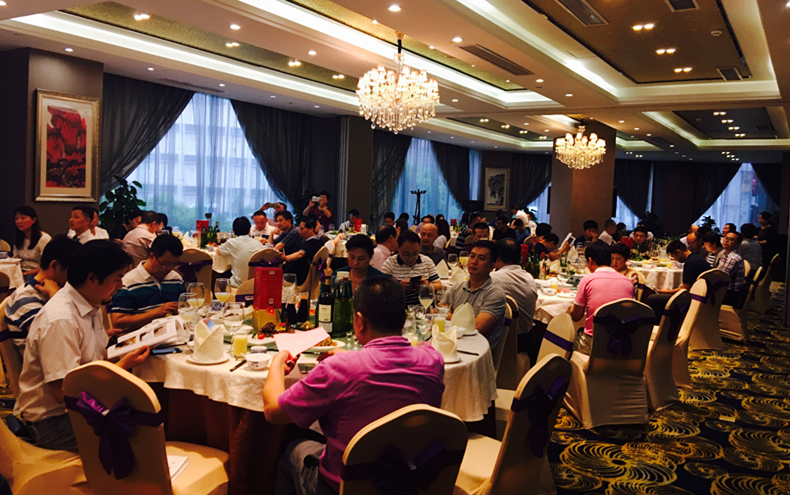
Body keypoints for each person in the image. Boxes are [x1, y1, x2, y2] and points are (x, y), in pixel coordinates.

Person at [266, 276, 444, 495]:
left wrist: (277, 364)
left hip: (343, 485)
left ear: (359, 321)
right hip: (409, 482)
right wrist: (349, 356)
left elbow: (273, 412)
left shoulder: (338, 368)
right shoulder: (433, 360)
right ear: (404, 320)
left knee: (293, 450)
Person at [15, 240, 150, 452]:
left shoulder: (89, 304)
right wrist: (122, 366)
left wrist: (125, 352)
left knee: (146, 416)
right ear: (92, 279)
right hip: (52, 422)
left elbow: (91, 360)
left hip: (77, 409)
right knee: (140, 435)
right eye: (117, 279)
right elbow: (64, 392)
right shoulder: (61, 319)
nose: (121, 286)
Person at [2, 235, 80, 355]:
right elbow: (56, 337)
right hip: (47, 363)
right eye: (72, 271)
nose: (75, 277)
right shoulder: (25, 299)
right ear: (54, 266)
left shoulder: (60, 291)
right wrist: (55, 296)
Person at [109, 234, 186, 331]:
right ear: (151, 256)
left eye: (174, 264)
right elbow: (118, 322)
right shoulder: (128, 282)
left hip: (174, 332)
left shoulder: (176, 278)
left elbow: (185, 308)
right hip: (141, 335)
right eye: (165, 264)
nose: (169, 269)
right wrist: (157, 312)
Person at [570, 241, 635, 355]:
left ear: (590, 261)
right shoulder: (628, 282)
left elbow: (576, 316)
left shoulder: (587, 280)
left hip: (594, 343)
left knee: (569, 338)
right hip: (623, 344)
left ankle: (573, 365)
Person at [441, 240, 507, 353]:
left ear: (491, 267)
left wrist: (448, 315)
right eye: (472, 256)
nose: (474, 262)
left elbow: (475, 326)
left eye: (481, 258)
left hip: (476, 352)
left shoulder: (495, 293)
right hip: (453, 344)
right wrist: (461, 321)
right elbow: (438, 309)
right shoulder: (457, 287)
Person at [491, 238, 537, 354]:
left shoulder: (493, 279)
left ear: (497, 257)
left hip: (501, 342)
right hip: (526, 340)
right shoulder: (529, 278)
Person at [380, 230, 442, 306]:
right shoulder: (390, 263)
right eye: (406, 254)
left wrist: (426, 285)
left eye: (415, 253)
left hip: (425, 305)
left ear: (419, 248)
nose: (411, 258)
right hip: (399, 307)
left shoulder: (427, 261)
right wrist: (398, 287)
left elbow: (439, 286)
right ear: (398, 248)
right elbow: (381, 290)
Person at [218, 217, 266, 287]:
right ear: (249, 229)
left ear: (234, 231)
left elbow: (218, 251)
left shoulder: (232, 242)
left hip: (237, 285)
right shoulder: (258, 243)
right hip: (256, 284)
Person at [279, 218, 326, 286]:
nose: (299, 232)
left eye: (302, 229)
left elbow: (300, 254)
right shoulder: (319, 241)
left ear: (311, 229)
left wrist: (286, 258)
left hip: (300, 276)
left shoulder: (311, 243)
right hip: (306, 274)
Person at [13, 205, 51, 275]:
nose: (19, 221)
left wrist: (26, 273)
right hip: (20, 271)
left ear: (33, 220)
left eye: (23, 218)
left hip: (38, 273)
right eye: (16, 218)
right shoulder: (20, 238)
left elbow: (47, 264)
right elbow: (15, 259)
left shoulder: (43, 238)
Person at [718, 231, 748, 307]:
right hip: (725, 289)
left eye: (731, 239)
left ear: (737, 244)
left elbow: (722, 277)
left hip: (730, 293)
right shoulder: (724, 254)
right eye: (726, 238)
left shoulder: (733, 258)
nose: (726, 241)